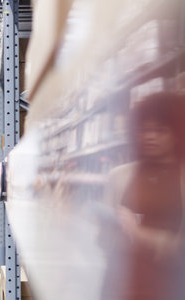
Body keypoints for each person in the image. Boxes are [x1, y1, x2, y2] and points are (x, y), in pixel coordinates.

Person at [101, 92, 185, 300]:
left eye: (160, 130)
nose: (149, 136)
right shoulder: (119, 176)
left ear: (176, 133)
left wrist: (138, 234)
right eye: (144, 130)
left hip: (168, 287)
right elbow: (104, 240)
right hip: (121, 285)